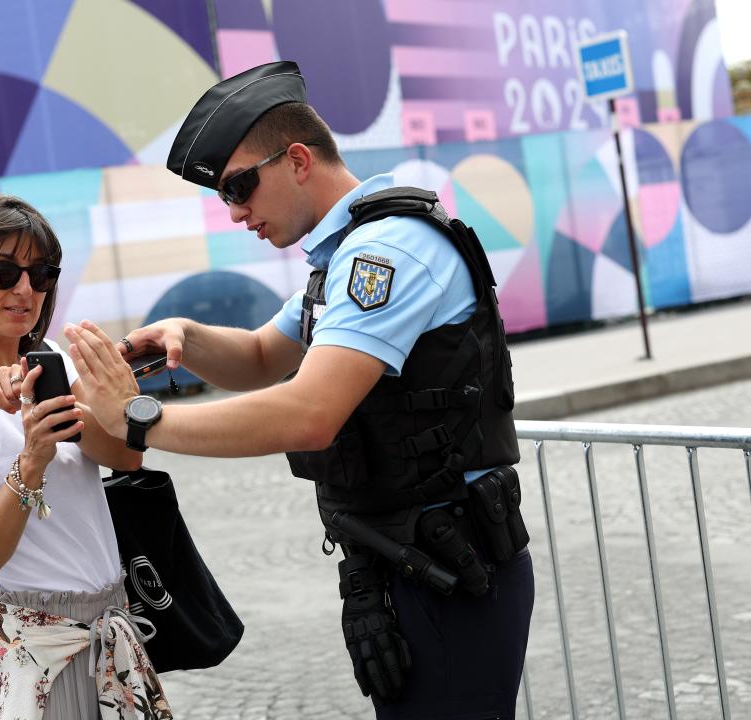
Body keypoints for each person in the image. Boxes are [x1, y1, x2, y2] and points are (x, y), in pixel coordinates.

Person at [65, 62, 534, 718]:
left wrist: (138, 420)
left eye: (239, 187)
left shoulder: (385, 253)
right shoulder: (343, 259)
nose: (235, 212)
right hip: (404, 561)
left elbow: (309, 413)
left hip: (450, 568)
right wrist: (186, 336)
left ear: (297, 160)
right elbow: (261, 355)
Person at [0, 194, 170, 719]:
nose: (25, 289)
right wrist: (30, 463)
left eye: (41, 273)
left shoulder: (57, 366)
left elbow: (126, 458)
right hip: (32, 654)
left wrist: (94, 396)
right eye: (4, 272)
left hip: (109, 637)